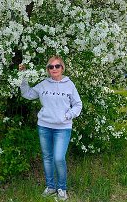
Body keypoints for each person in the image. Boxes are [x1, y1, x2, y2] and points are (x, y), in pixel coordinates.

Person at [19, 56, 82, 201]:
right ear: (48, 69)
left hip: (63, 128)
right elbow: (27, 94)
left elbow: (78, 104)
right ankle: (51, 186)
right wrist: (22, 76)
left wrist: (68, 116)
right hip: (44, 126)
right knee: (47, 158)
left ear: (62, 68)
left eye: (57, 66)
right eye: (51, 67)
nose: (54, 69)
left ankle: (62, 188)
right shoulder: (43, 84)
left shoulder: (69, 85)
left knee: (59, 158)